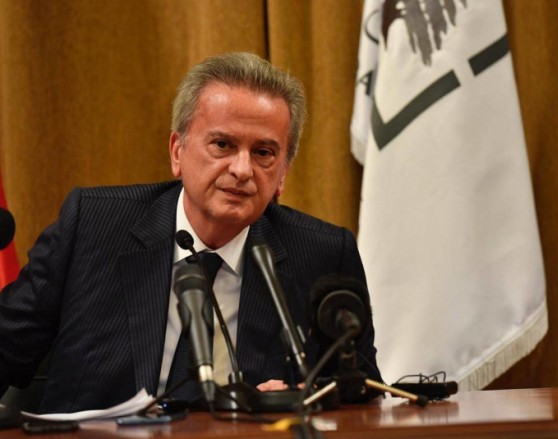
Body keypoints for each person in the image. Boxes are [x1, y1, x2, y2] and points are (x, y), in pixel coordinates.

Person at [0, 52, 381, 413]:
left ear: (283, 173)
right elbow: (6, 350)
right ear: (177, 151)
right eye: (223, 145)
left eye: (264, 153)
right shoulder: (93, 225)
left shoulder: (322, 254)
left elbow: (363, 394)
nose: (242, 170)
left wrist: (310, 397)